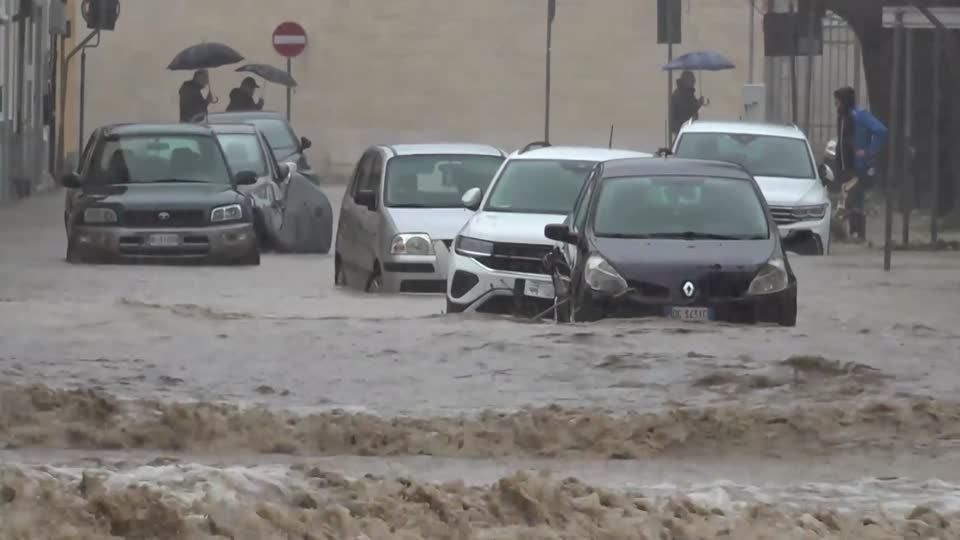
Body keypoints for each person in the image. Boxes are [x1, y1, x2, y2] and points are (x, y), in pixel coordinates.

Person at [833, 86, 888, 242]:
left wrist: (869, 151)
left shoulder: (859, 115)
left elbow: (881, 131)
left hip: (859, 167)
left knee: (854, 198)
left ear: (845, 101)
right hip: (846, 166)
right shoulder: (843, 117)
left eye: (838, 103)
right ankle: (854, 234)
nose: (836, 106)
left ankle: (858, 234)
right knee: (851, 198)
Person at [669, 71, 704, 142]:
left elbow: (690, 106)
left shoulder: (687, 92)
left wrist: (698, 104)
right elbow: (685, 109)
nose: (694, 81)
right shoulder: (680, 93)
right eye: (692, 80)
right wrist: (697, 104)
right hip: (682, 127)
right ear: (686, 80)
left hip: (687, 128)